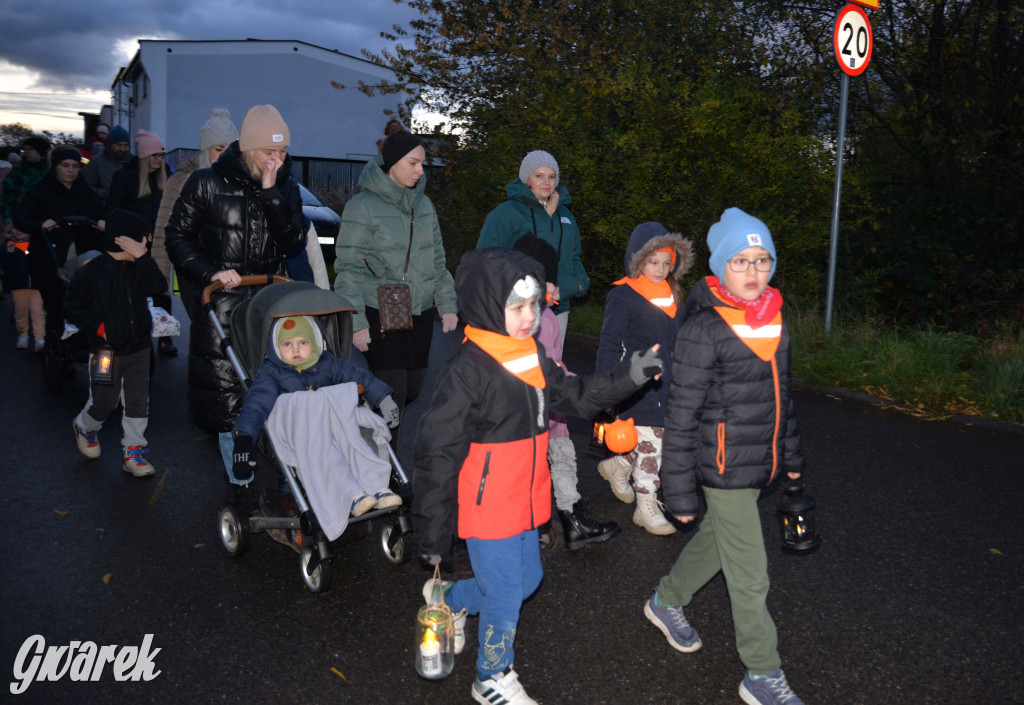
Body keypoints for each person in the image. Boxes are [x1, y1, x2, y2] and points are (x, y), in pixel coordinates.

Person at [413, 247, 664, 705]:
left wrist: (632, 376)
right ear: (489, 306)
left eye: (534, 305)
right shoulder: (468, 370)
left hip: (528, 499)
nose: (530, 317)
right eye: (517, 307)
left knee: (527, 581)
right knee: (507, 591)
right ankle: (490, 675)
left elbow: (579, 394)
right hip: (488, 505)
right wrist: (433, 530)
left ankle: (449, 600)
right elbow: (436, 454)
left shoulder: (529, 354)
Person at [645, 208, 807, 705]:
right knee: (751, 572)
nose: (754, 271)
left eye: (763, 259)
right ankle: (761, 672)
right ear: (720, 267)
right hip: (722, 466)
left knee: (720, 539)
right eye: (741, 261)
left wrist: (792, 454)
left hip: (759, 459)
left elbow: (782, 395)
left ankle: (666, 599)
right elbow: (682, 410)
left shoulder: (773, 315)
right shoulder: (705, 328)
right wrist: (676, 489)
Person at [165, 104, 304, 474]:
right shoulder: (207, 182)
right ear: (247, 148)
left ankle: (283, 474)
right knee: (226, 391)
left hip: (270, 299)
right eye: (269, 152)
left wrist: (272, 193)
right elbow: (177, 237)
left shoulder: (287, 187)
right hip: (221, 303)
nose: (277, 159)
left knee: (275, 385)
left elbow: (293, 241)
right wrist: (210, 272)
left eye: (283, 151)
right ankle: (239, 479)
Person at [333, 126, 458, 444]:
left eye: (421, 164)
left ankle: (362, 429)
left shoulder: (424, 206)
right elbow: (348, 269)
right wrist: (356, 321)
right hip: (379, 312)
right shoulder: (362, 207)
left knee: (412, 391)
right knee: (392, 396)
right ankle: (386, 478)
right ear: (392, 163)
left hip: (420, 313)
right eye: (413, 162)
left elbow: (438, 262)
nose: (420, 170)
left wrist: (447, 304)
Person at [230, 314, 402, 514]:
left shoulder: (326, 362)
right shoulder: (272, 372)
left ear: (314, 342)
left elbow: (360, 376)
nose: (295, 350)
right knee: (325, 449)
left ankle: (378, 487)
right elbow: (257, 403)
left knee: (360, 439)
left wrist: (384, 399)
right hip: (302, 433)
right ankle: (351, 494)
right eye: (286, 344)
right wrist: (244, 437)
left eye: (302, 342)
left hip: (334, 425)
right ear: (275, 347)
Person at [512, 234, 620, 551]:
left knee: (559, 460)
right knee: (539, 468)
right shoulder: (534, 319)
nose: (556, 287)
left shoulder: (540, 314)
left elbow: (554, 365)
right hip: (535, 410)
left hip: (549, 408)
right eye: (550, 280)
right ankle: (540, 525)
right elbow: (547, 371)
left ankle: (564, 521)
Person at [595, 222, 694, 535]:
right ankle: (646, 505)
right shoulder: (623, 296)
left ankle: (619, 464)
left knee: (651, 440)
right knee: (653, 445)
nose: (661, 270)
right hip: (636, 386)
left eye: (667, 264)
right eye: (653, 263)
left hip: (669, 384)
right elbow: (609, 344)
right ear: (637, 261)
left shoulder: (672, 295)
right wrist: (604, 389)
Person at [66, 208, 168, 477]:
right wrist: (100, 328)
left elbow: (159, 287)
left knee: (138, 402)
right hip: (105, 351)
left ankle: (132, 452)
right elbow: (73, 308)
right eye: (141, 239)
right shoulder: (92, 273)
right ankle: (86, 426)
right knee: (104, 401)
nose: (145, 243)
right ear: (123, 241)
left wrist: (143, 257)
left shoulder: (139, 268)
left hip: (139, 349)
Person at [477, 150, 589, 349]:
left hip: (558, 311)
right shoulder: (506, 214)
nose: (546, 182)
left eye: (552, 176)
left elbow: (575, 258)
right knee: (519, 374)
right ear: (525, 179)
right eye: (539, 176)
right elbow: (485, 263)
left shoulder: (567, 217)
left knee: (551, 372)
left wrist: (579, 284)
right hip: (518, 311)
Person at [153, 109, 238, 324]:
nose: (225, 154)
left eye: (230, 148)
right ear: (206, 149)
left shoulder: (239, 181)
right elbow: (164, 232)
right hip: (193, 271)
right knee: (205, 332)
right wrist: (159, 281)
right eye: (219, 149)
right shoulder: (181, 181)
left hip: (231, 271)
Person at [106, 129, 176, 355]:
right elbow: (113, 210)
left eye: (162, 155)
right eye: (155, 156)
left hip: (160, 242)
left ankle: (165, 338)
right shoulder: (125, 176)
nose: (160, 160)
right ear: (145, 157)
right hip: (133, 243)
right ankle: (137, 334)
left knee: (161, 288)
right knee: (135, 290)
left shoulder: (165, 172)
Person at [1, 225, 44, 350]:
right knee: (20, 312)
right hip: (18, 285)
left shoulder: (37, 245)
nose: (18, 230)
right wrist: (8, 253)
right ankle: (23, 334)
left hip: (36, 285)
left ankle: (39, 339)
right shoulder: (9, 246)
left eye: (22, 228)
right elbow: (4, 266)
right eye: (16, 228)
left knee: (37, 311)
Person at [2, 136, 51, 229]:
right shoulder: (17, 172)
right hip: (19, 221)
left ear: (40, 151)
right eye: (24, 149)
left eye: (31, 149)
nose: (26, 152)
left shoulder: (50, 172)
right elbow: (7, 199)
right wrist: (8, 219)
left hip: (44, 221)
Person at [82, 125, 130, 202]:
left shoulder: (133, 161)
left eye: (126, 145)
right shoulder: (96, 161)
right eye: (119, 145)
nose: (123, 149)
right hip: (106, 208)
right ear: (111, 144)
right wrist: (106, 193)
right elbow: (85, 187)